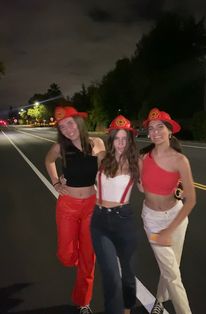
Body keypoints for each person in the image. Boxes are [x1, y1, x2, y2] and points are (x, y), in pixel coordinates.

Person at [45, 104, 105, 314]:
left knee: (88, 259)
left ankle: (84, 302)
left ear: (79, 122)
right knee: (66, 255)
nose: (67, 129)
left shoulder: (96, 143)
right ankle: (80, 255)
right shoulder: (60, 147)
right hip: (68, 205)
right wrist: (55, 182)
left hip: (90, 205)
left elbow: (110, 164)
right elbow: (49, 160)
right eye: (62, 127)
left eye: (70, 123)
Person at [139, 108, 196, 314]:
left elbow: (191, 200)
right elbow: (140, 186)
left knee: (171, 268)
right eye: (151, 128)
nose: (154, 132)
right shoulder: (143, 157)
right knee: (172, 273)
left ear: (170, 131)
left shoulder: (180, 160)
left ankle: (160, 301)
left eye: (160, 127)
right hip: (152, 220)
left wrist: (168, 231)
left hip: (176, 219)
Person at [90, 115, 140, 314]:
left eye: (125, 139)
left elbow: (154, 184)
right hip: (100, 222)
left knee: (128, 273)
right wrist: (63, 177)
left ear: (130, 141)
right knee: (110, 275)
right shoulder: (102, 158)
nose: (121, 143)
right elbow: (83, 142)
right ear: (111, 140)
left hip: (124, 221)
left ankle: (127, 309)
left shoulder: (137, 163)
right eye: (117, 138)